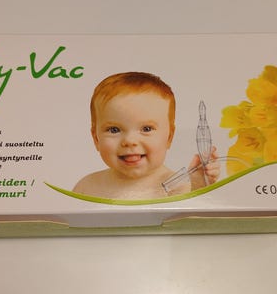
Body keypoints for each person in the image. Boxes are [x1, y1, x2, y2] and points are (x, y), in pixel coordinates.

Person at [73, 72, 219, 199]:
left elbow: (191, 217)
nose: (130, 141)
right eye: (114, 130)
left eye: (146, 129)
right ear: (96, 139)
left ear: (169, 137)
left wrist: (198, 184)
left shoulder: (178, 186)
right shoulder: (87, 187)